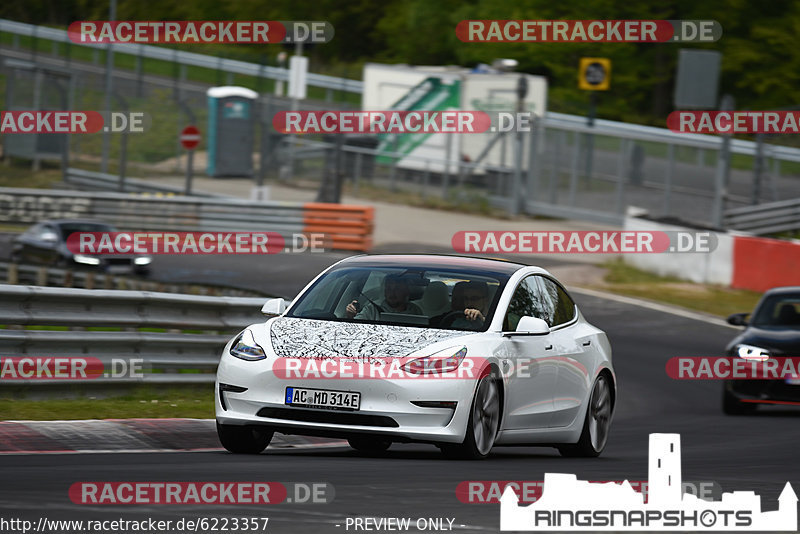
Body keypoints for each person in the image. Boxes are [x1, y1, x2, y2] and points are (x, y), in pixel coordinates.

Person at [346, 274, 423, 320]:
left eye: (397, 289)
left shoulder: (415, 311)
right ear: (384, 291)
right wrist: (351, 316)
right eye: (389, 288)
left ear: (406, 291)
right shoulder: (371, 309)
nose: (392, 293)